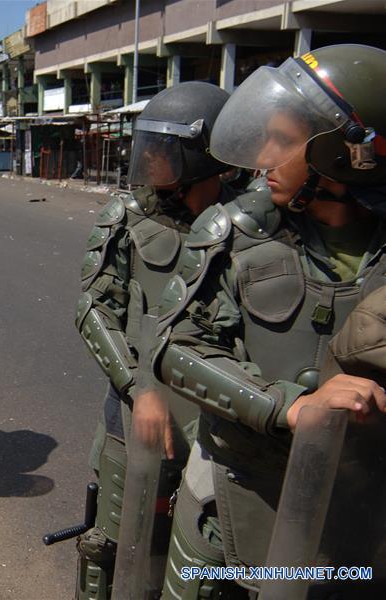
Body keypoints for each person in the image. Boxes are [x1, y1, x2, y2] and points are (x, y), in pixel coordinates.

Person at [150, 44, 386, 597]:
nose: (262, 157)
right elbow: (174, 345)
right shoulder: (235, 233)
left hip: (360, 514)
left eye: (282, 141)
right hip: (237, 493)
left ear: (343, 156)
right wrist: (288, 406)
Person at [74, 81, 235, 599]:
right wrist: (136, 387)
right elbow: (94, 308)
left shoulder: (249, 226)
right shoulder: (129, 215)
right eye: (151, 147)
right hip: (134, 413)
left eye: (168, 151)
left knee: (204, 571)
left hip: (220, 427)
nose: (152, 162)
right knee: (112, 548)